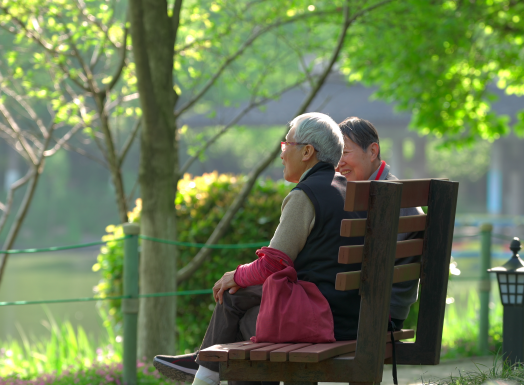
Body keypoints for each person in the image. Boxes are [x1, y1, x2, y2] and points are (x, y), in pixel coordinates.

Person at [154, 112, 366, 385]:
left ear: (307, 152)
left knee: (236, 298)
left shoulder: (306, 195)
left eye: (286, 144)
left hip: (320, 317)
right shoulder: (351, 191)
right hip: (353, 316)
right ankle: (204, 367)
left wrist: (236, 275)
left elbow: (273, 264)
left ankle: (203, 373)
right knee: (249, 316)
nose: (281, 153)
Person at [336, 117, 424, 331]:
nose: (338, 164)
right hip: (391, 312)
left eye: (345, 153)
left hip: (372, 313)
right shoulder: (396, 194)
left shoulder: (385, 200)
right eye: (336, 155)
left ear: (373, 151)